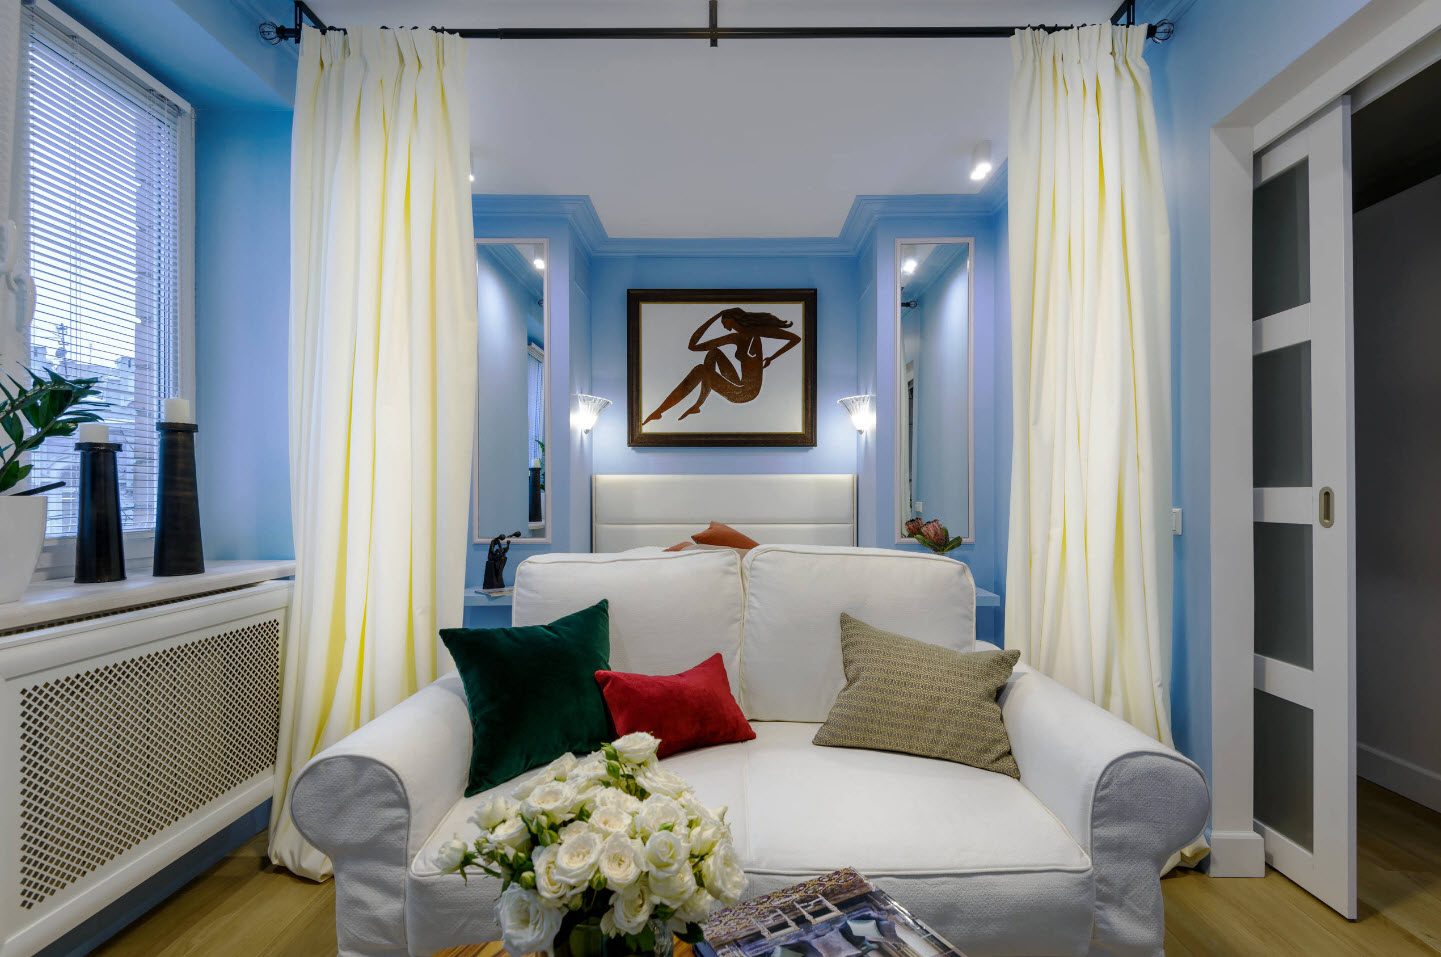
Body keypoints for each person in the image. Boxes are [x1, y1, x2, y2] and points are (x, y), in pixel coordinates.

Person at [642, 307, 801, 424]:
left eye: (723, 320)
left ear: (732, 318)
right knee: (713, 353)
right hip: (739, 384)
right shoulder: (735, 337)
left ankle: (660, 411)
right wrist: (716, 316)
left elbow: (795, 339)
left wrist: (773, 357)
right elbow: (693, 346)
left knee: (700, 370)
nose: (722, 324)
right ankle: (698, 405)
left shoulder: (756, 333)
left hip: (745, 392)